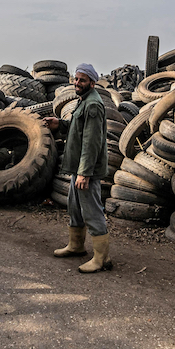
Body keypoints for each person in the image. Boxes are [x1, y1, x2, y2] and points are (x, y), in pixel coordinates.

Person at [43, 63, 111, 273]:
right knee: (75, 208)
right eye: (75, 78)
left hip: (86, 171)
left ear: (92, 82)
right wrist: (59, 124)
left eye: (82, 80)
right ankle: (76, 246)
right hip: (77, 169)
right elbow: (76, 128)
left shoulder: (92, 105)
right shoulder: (82, 101)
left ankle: (101, 259)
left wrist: (84, 173)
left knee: (92, 211)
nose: (77, 83)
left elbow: (91, 143)